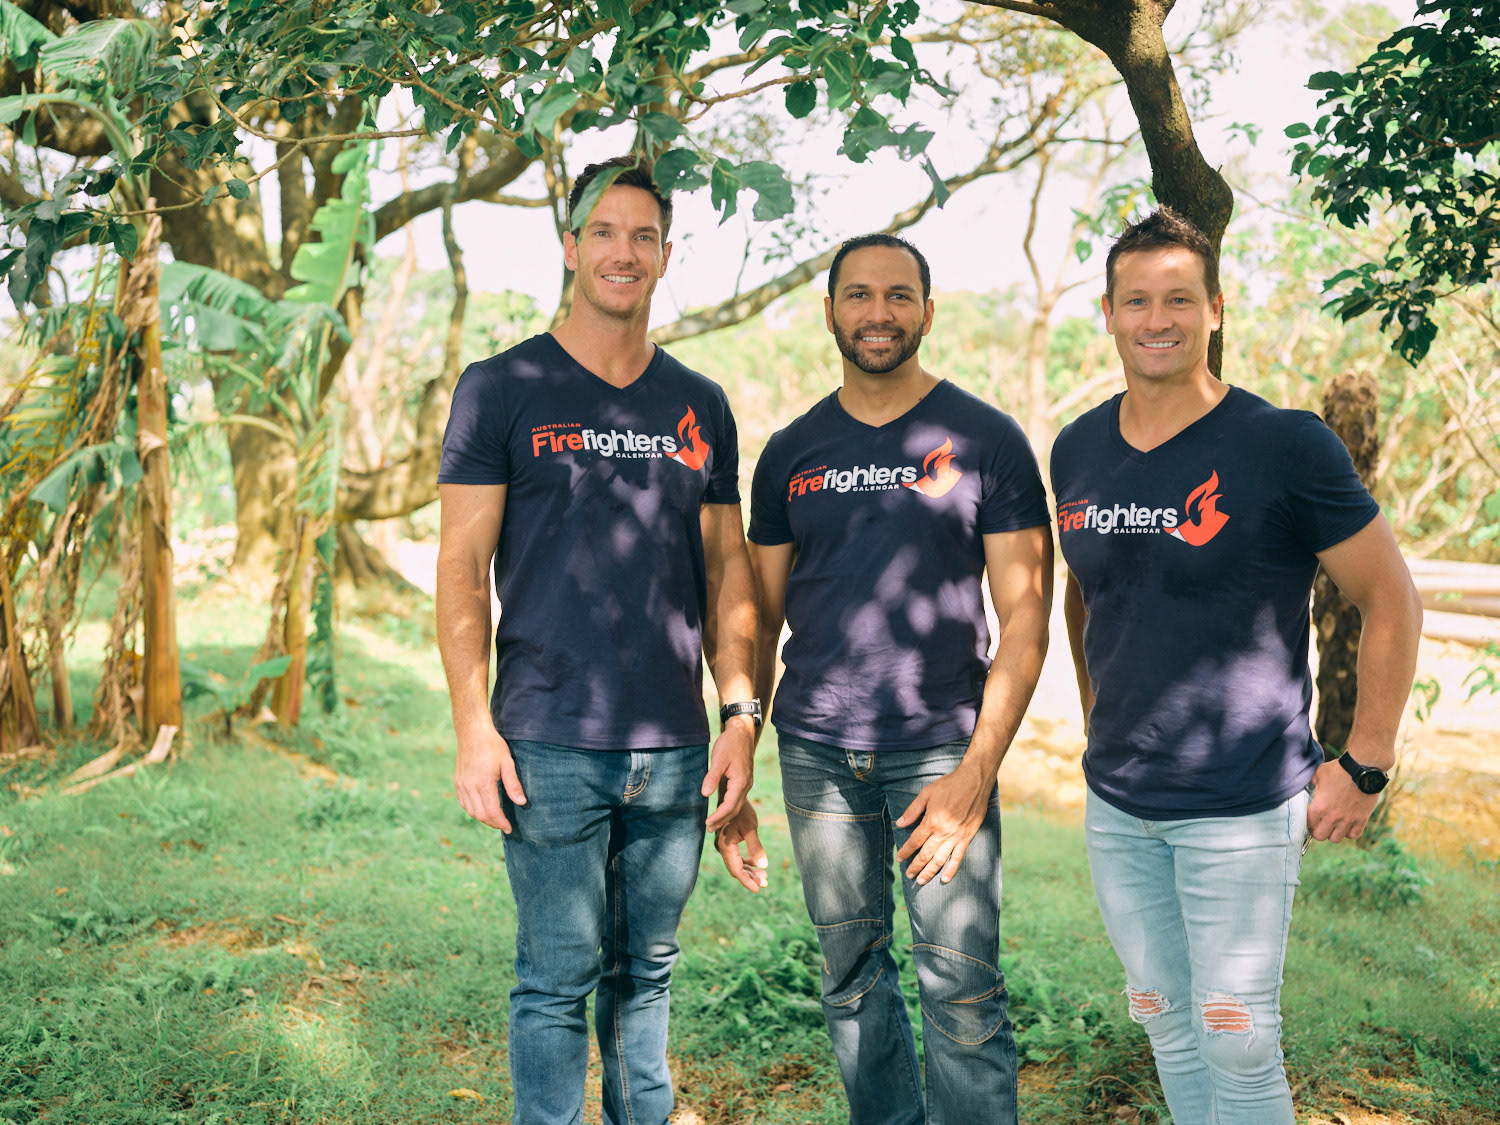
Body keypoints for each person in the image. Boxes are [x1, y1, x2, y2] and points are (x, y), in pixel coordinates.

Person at [1051, 208, 1424, 1124]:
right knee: (1165, 1019)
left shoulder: (1284, 444)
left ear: (1215, 309)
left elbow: (1390, 599)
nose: (1158, 319)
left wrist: (1365, 761)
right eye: (1137, 300)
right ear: (1108, 314)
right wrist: (1100, 723)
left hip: (1242, 801)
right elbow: (1083, 592)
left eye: (1180, 299)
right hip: (1118, 802)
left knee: (1238, 1035)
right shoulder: (1078, 448)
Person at [434, 155, 761, 1125]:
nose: (625, 251)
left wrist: (740, 715)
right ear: (572, 246)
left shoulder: (700, 403)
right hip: (546, 740)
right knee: (554, 978)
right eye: (605, 232)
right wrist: (473, 727)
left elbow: (727, 573)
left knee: (647, 974)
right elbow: (462, 567)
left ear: (666, 255)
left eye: (643, 235)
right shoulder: (502, 388)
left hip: (674, 752)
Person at [721, 233, 1054, 1125]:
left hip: (939, 752)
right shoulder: (791, 451)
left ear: (928, 312)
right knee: (850, 977)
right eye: (859, 295)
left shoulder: (987, 440)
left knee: (963, 988)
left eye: (899, 295)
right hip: (817, 753)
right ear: (830, 311)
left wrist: (977, 770)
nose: (879, 313)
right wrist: (741, 732)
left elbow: (1026, 616)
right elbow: (758, 615)